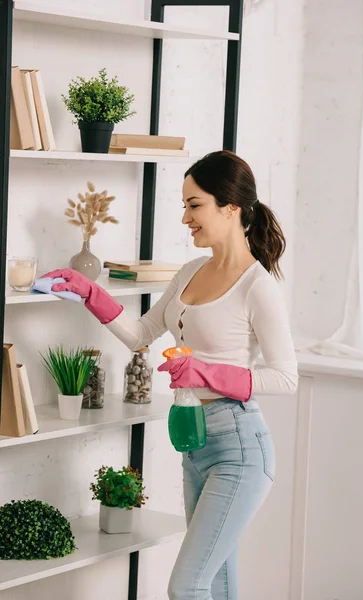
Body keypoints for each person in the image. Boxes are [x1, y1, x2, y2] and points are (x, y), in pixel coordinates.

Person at [43, 150, 298, 600]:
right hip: (193, 444)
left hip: (239, 446)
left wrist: (207, 371)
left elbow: (285, 377)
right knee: (216, 581)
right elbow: (141, 333)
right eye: (184, 206)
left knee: (187, 584)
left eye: (194, 205)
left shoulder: (258, 287)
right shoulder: (190, 272)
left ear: (231, 207)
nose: (185, 217)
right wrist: (89, 292)